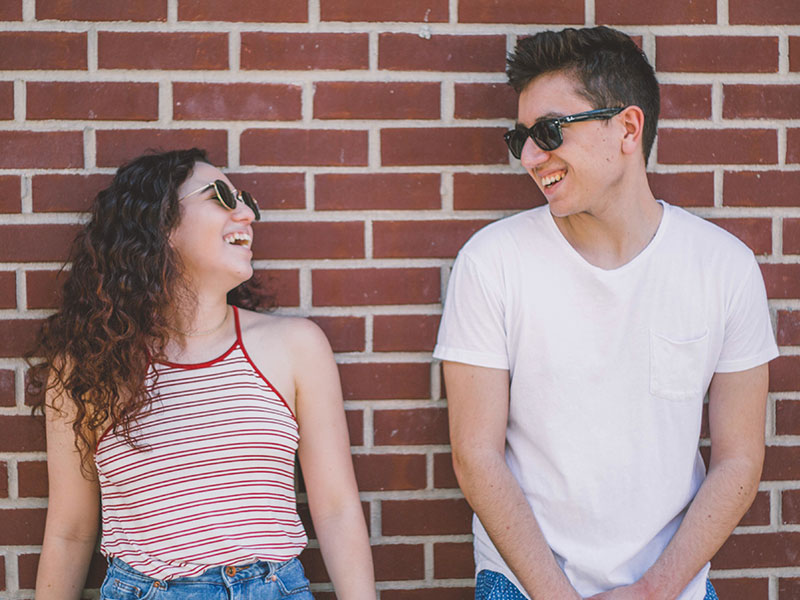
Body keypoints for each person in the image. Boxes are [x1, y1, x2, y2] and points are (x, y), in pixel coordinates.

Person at [434, 26, 777, 600]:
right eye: (519, 137)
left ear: (628, 127)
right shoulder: (492, 262)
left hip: (673, 589)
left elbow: (740, 461)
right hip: (523, 583)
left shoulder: (724, 267)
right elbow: (476, 457)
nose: (530, 156)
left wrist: (652, 591)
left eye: (548, 132)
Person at [32, 148, 376, 600]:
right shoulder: (86, 367)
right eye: (220, 196)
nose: (247, 214)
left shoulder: (295, 346)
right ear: (161, 224)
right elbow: (70, 532)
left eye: (246, 200)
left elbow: (336, 510)